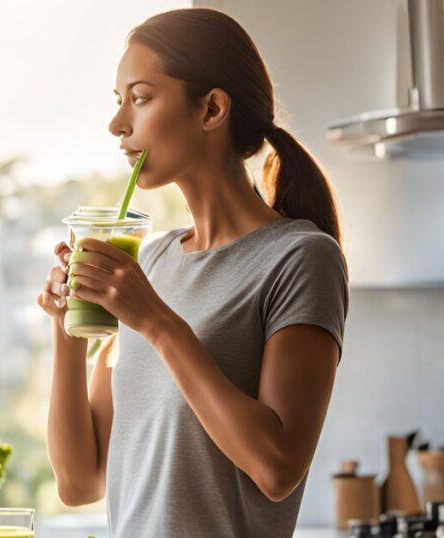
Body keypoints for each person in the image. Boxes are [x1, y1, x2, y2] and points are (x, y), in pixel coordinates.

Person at [36, 7, 349, 537]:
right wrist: (67, 330)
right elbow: (81, 480)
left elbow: (276, 468)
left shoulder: (299, 258)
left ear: (211, 109)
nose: (117, 124)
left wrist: (157, 321)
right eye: (119, 103)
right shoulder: (149, 262)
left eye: (140, 97)